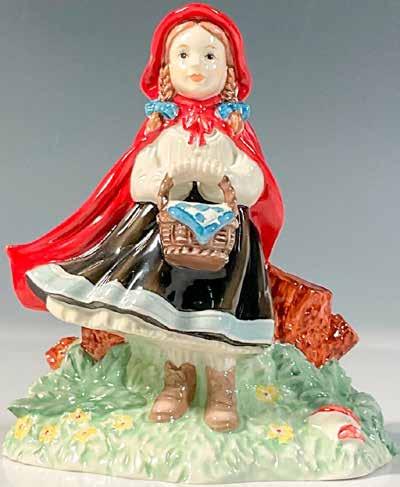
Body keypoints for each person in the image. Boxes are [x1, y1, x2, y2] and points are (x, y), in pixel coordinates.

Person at [6, 3, 284, 433]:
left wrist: (221, 180)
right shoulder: (163, 130)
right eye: (184, 55)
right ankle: (177, 378)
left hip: (226, 239)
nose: (196, 65)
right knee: (169, 306)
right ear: (166, 68)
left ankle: (222, 384)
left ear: (229, 70)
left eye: (209, 55)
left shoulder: (232, 132)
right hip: (168, 234)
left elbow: (254, 183)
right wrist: (170, 180)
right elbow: (138, 182)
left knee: (220, 308)